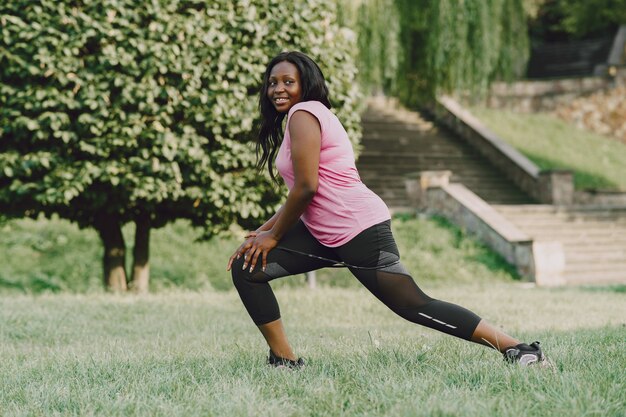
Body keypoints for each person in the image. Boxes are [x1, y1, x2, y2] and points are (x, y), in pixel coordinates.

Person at [226, 51, 545, 369]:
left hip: (356, 228)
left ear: (305, 84)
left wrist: (273, 235)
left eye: (287, 82)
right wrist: (264, 233)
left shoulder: (304, 115)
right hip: (324, 231)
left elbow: (307, 187)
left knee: (412, 304)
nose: (277, 89)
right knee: (247, 268)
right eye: (272, 83)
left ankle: (518, 348)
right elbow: (303, 190)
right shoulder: (301, 118)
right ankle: (284, 359)